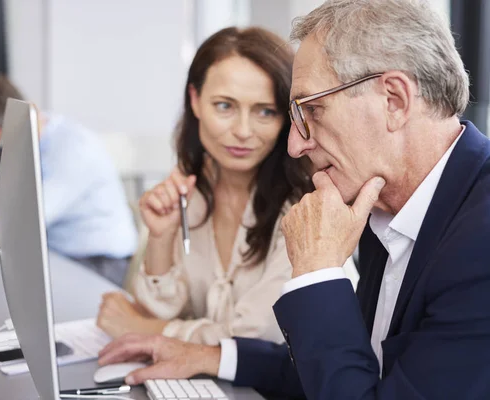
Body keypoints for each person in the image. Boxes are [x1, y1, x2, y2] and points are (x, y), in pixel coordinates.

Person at [96, 0, 490, 398]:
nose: (295, 144)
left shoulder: (480, 240)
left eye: (313, 110)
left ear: (394, 100)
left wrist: (317, 270)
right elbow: (346, 370)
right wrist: (212, 356)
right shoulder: (383, 207)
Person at [97, 26, 349, 346]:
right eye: (225, 106)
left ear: (286, 118)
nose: (243, 131)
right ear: (195, 100)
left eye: (265, 111)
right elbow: (157, 310)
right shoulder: (191, 187)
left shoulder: (306, 205)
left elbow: (260, 338)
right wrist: (161, 237)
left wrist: (147, 331)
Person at [0, 73, 137, 287]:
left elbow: (29, 220)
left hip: (98, 263)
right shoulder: (29, 141)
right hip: (59, 255)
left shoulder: (72, 149)